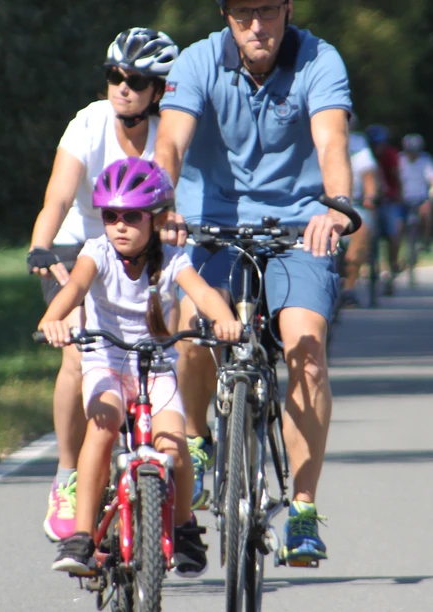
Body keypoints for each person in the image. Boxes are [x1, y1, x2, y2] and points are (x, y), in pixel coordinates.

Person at [155, 0, 355, 566]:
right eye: (244, 14)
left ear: (287, 10)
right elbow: (169, 143)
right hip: (210, 225)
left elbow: (332, 144)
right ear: (226, 16)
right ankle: (197, 440)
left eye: (268, 11)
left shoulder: (320, 59)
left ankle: (304, 511)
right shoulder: (196, 62)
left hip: (300, 230)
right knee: (193, 331)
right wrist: (163, 200)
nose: (257, 26)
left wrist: (336, 207)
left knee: (307, 352)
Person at [41, 158, 242, 578]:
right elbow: (75, 287)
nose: (119, 225)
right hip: (107, 361)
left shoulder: (172, 259)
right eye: (110, 216)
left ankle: (184, 526)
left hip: (154, 366)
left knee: (175, 446)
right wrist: (54, 318)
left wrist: (225, 320)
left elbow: (202, 293)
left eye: (131, 216)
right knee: (102, 427)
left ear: (155, 219)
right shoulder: (96, 253)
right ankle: (81, 536)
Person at [26, 27, 178, 543]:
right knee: (77, 347)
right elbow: (58, 198)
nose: (122, 88)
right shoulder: (88, 125)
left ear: (157, 89)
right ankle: (68, 478)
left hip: (144, 247)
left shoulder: (170, 134)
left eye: (135, 80)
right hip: (78, 249)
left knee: (178, 333)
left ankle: (176, 446)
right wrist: (41, 247)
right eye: (114, 76)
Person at [341, 120, 380, 306]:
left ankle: (349, 286)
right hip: (318, 202)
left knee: (361, 228)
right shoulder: (313, 137)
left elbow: (368, 175)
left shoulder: (358, 144)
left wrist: (370, 196)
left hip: (352, 203)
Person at [367, 124, 407, 294]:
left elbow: (396, 177)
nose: (377, 148)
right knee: (368, 234)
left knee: (393, 232)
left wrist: (398, 197)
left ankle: (392, 267)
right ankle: (370, 266)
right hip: (369, 201)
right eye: (374, 144)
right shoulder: (364, 156)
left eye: (380, 144)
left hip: (388, 199)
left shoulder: (391, 155)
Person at [398, 133, 433, 254]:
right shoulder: (399, 159)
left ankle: (426, 240)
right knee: (396, 224)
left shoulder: (426, 159)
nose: (413, 154)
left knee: (427, 210)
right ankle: (398, 250)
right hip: (401, 199)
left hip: (421, 198)